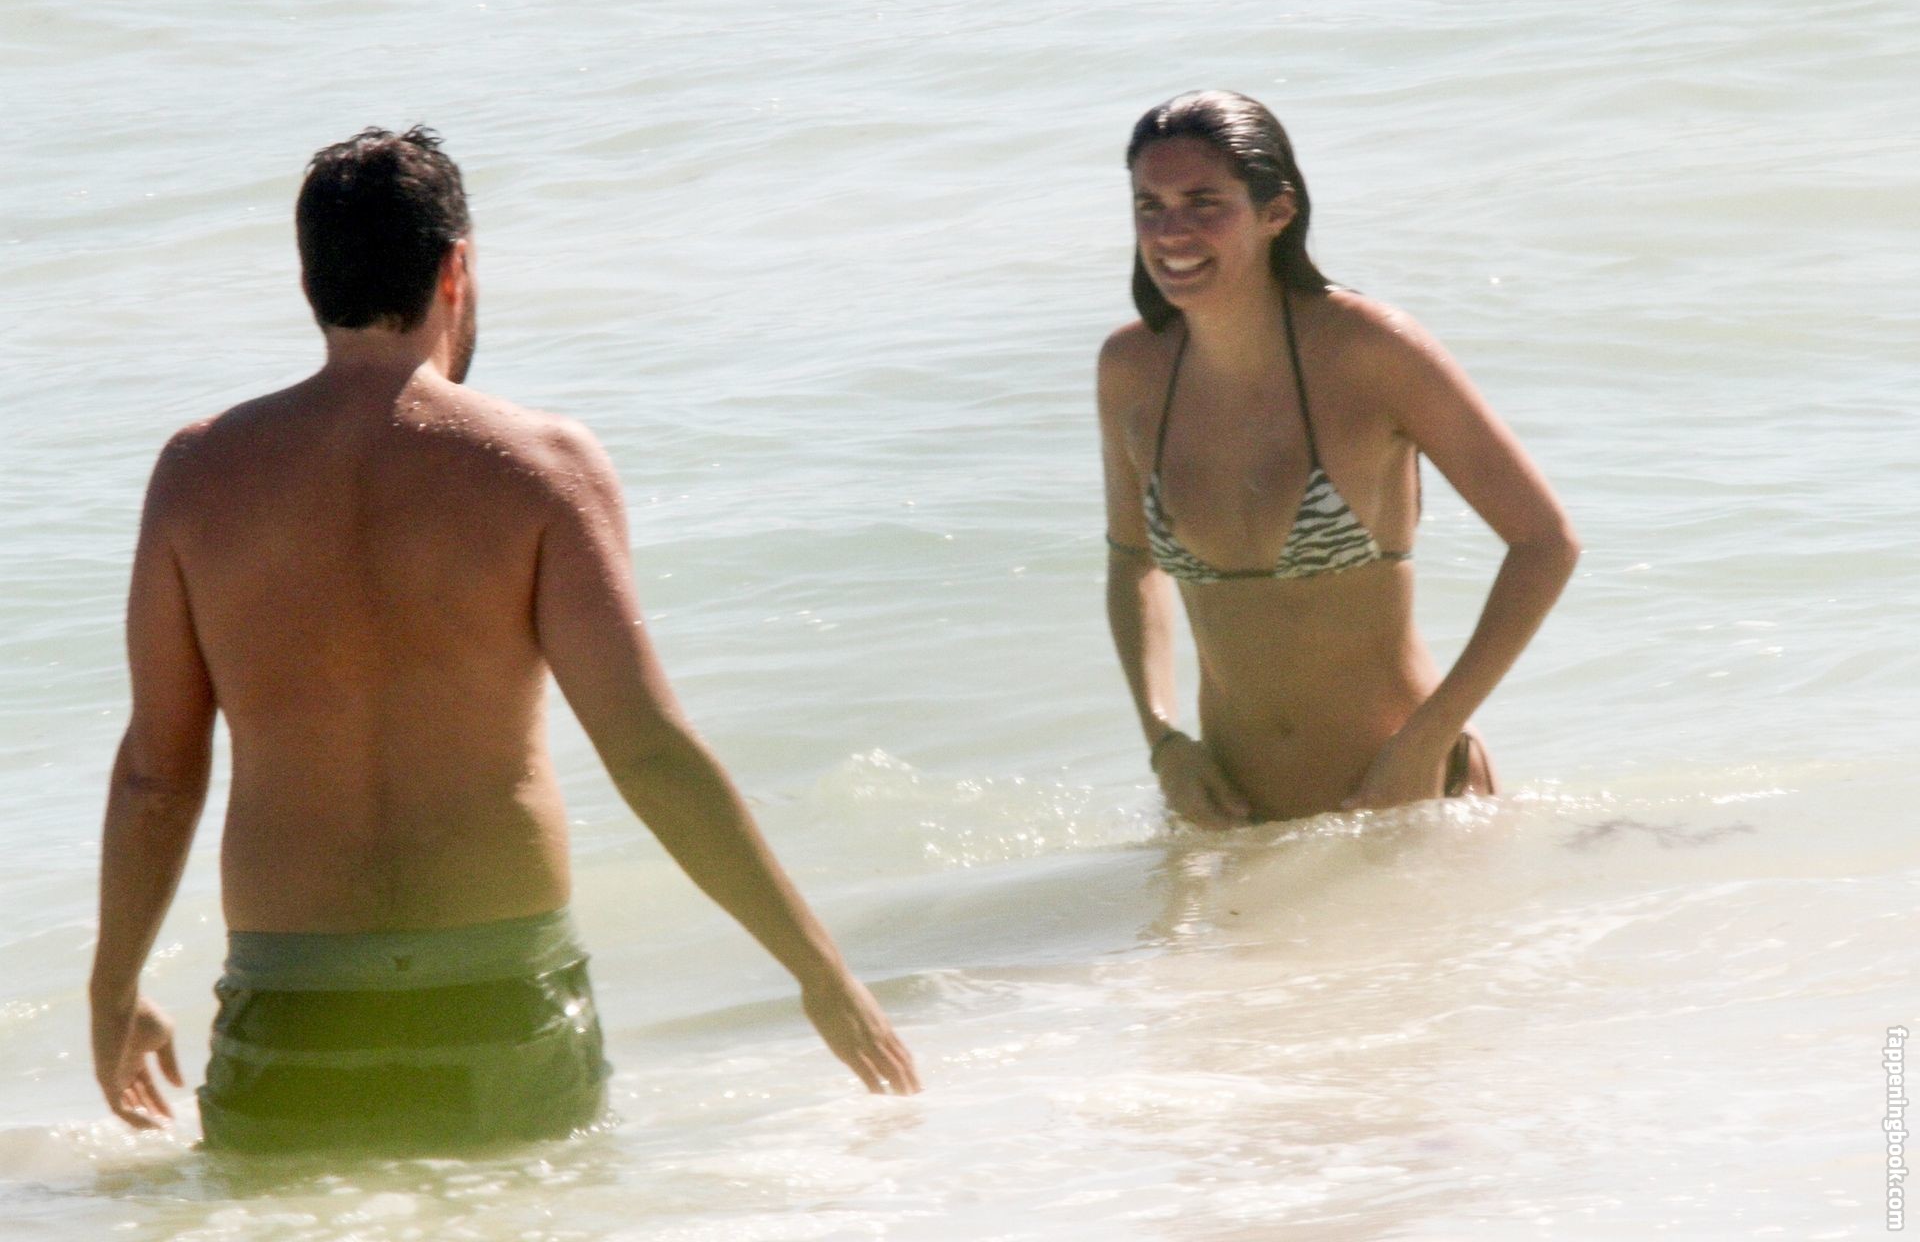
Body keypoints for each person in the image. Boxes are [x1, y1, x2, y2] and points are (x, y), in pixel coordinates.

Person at [88, 126, 919, 1153]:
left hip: (294, 1009)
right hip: (501, 1005)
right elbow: (649, 751)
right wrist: (819, 972)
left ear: (308, 283)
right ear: (457, 269)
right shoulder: (541, 466)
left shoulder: (198, 475)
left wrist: (113, 988)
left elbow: (158, 775)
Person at [1099, 91, 1579, 827]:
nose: (1171, 231)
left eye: (1203, 203)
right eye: (1149, 206)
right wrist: (1163, 743)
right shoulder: (1132, 368)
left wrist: (1427, 740)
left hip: (1401, 802)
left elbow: (1545, 543)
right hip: (1232, 819)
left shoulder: (1370, 350)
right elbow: (1132, 561)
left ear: (1277, 212)